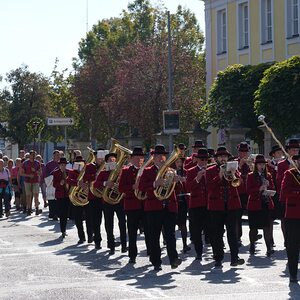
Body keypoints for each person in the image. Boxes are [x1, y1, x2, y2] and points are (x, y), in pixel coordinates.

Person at [138, 144, 182, 271]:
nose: (161, 158)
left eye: (163, 156)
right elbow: (141, 187)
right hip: (153, 207)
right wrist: (154, 183)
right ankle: (156, 261)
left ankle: (173, 259)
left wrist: (177, 181)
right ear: (154, 157)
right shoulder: (147, 171)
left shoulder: (171, 171)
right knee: (154, 236)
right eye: (158, 156)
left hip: (169, 207)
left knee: (170, 235)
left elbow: (177, 190)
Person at [206, 146, 244, 268]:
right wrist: (219, 175)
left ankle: (235, 258)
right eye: (221, 157)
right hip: (216, 206)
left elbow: (240, 184)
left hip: (231, 206)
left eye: (225, 156)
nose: (223, 158)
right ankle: (218, 257)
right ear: (216, 159)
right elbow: (209, 187)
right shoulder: (210, 170)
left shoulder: (233, 169)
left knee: (232, 233)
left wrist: (234, 174)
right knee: (216, 233)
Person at [119, 146, 150, 263]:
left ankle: (151, 252)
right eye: (136, 158)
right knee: (132, 232)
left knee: (149, 230)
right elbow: (121, 188)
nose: (139, 160)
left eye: (141, 157)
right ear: (131, 159)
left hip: (145, 203)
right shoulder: (126, 171)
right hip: (132, 205)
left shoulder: (146, 170)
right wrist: (132, 187)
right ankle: (132, 255)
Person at [93, 152, 127, 254]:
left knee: (122, 223)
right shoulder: (103, 173)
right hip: (107, 201)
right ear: (106, 162)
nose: (112, 161)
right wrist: (105, 183)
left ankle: (124, 245)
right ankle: (111, 245)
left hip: (119, 201)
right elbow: (95, 184)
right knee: (109, 224)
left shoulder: (121, 172)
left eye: (114, 160)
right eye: (110, 160)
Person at [247, 154, 275, 256]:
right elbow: (248, 190)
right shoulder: (250, 176)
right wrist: (259, 189)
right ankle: (252, 245)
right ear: (256, 165)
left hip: (266, 204)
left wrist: (269, 186)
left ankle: (269, 247)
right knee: (253, 228)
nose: (261, 166)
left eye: (263, 164)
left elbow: (273, 188)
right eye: (259, 164)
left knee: (267, 227)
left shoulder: (268, 175)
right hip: (254, 205)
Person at [186, 148, 209, 260]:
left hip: (208, 204)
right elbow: (188, 187)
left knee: (210, 229)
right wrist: (198, 178)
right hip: (195, 205)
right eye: (201, 159)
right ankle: (199, 252)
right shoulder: (190, 171)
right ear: (197, 160)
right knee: (196, 231)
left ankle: (214, 250)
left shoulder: (211, 170)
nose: (204, 161)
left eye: (205, 159)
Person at [280, 151, 300, 283]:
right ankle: (293, 273)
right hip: (294, 215)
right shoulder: (290, 173)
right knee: (293, 245)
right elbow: (285, 192)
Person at [80, 149, 106, 249]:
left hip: (104, 197)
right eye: (99, 157)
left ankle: (109, 241)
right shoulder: (90, 166)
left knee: (104, 220)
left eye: (103, 157)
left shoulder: (107, 166)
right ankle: (97, 240)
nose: (101, 159)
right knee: (95, 220)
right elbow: (86, 177)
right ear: (96, 157)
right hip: (93, 196)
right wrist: (95, 176)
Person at [277, 139, 299, 246]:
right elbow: (278, 181)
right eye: (293, 150)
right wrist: (289, 170)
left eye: (297, 150)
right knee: (285, 220)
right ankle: (287, 239)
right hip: (286, 198)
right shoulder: (282, 164)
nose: (295, 152)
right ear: (288, 151)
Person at [67, 156, 91, 244]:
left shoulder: (87, 172)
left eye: (81, 163)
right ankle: (81, 237)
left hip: (86, 198)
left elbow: (92, 180)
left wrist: (87, 185)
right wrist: (78, 183)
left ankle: (90, 235)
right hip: (76, 199)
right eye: (77, 163)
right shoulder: (72, 172)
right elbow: (68, 180)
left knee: (89, 218)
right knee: (78, 219)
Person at [268, 144, 285, 246]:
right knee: (270, 219)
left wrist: (275, 167)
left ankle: (286, 239)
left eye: (281, 153)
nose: (280, 155)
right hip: (271, 194)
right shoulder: (267, 165)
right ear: (273, 155)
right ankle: (270, 240)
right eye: (278, 153)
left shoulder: (285, 164)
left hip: (281, 194)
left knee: (284, 218)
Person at [235, 142, 251, 246]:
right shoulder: (235, 162)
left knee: (253, 213)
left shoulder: (251, 162)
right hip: (239, 192)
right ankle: (238, 237)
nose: (243, 154)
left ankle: (254, 233)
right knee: (237, 216)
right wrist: (240, 165)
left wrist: (251, 165)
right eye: (241, 152)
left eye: (245, 152)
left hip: (250, 191)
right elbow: (233, 174)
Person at [174, 157, 191, 254]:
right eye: (177, 162)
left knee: (183, 224)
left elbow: (189, 186)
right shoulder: (170, 172)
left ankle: (185, 245)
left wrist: (184, 181)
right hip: (173, 200)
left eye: (180, 162)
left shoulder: (186, 172)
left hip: (183, 201)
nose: (179, 164)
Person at [19, 150, 42, 216]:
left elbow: (40, 173)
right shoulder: (25, 163)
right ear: (30, 155)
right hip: (27, 181)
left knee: (36, 195)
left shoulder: (37, 163)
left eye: (35, 155)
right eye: (32, 155)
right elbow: (21, 173)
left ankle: (37, 208)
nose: (34, 156)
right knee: (28, 196)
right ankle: (28, 209)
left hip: (35, 181)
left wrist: (35, 171)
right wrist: (28, 175)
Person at [52, 157, 70, 239]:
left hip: (67, 195)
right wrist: (60, 183)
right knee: (61, 213)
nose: (63, 166)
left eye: (64, 165)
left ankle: (64, 230)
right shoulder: (56, 173)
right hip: (59, 195)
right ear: (59, 165)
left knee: (65, 214)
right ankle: (62, 229)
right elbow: (54, 184)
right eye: (61, 165)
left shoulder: (68, 172)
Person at [43, 150, 61, 220]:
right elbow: (45, 173)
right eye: (56, 155)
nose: (58, 156)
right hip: (51, 183)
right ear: (53, 156)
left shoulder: (61, 163)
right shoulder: (48, 164)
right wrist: (52, 177)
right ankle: (53, 214)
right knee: (52, 200)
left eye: (58, 155)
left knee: (59, 200)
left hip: (59, 184)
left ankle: (58, 214)